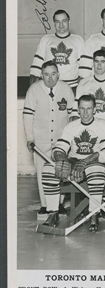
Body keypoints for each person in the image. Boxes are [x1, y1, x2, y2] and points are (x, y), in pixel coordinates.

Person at [41, 94, 105, 232]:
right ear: (78, 110)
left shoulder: (102, 125)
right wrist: (62, 159)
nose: (85, 113)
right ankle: (52, 213)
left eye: (89, 108)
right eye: (82, 109)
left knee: (96, 169)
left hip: (94, 161)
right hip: (74, 160)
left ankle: (94, 213)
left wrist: (86, 162)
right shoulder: (72, 126)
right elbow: (59, 147)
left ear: (95, 109)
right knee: (48, 168)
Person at [23, 61, 74, 217]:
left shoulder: (66, 89)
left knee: (61, 170)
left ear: (58, 74)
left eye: (53, 74)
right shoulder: (33, 90)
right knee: (42, 171)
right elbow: (27, 116)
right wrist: (30, 138)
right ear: (41, 75)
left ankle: (59, 204)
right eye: (46, 74)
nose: (50, 78)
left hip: (61, 141)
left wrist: (71, 139)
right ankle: (45, 205)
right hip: (40, 140)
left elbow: (72, 116)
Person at [30, 9, 85, 89]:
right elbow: (36, 66)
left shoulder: (78, 40)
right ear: (54, 24)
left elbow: (83, 66)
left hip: (72, 87)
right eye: (57, 22)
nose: (61, 25)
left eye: (64, 21)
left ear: (69, 22)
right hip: (50, 87)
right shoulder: (46, 39)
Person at [72, 50, 105, 127]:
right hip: (89, 127)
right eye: (96, 61)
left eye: (103, 62)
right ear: (93, 63)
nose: (99, 65)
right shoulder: (84, 83)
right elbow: (75, 111)